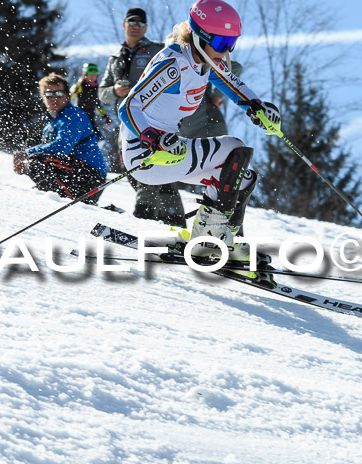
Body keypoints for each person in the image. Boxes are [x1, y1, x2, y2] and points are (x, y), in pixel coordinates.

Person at [120, 0, 281, 269]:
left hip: (171, 149)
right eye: (220, 43)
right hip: (147, 153)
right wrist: (151, 136)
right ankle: (210, 243)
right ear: (198, 36)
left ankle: (222, 240)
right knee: (234, 149)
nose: (226, 50)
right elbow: (128, 105)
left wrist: (257, 107)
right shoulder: (174, 63)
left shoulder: (203, 61)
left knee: (241, 178)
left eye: (232, 43)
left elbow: (233, 84)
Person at [99, 7, 186, 227]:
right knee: (135, 172)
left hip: (157, 122)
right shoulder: (115, 59)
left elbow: (185, 72)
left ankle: (157, 221)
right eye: (132, 22)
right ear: (124, 25)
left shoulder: (157, 50)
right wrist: (116, 92)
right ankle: (166, 222)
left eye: (140, 23)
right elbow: (102, 94)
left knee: (157, 172)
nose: (136, 26)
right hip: (126, 124)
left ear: (146, 27)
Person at [13, 73, 108, 204]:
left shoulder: (74, 115)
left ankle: (62, 202)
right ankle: (52, 199)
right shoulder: (50, 125)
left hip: (89, 175)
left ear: (68, 95)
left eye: (59, 94)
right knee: (35, 163)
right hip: (75, 171)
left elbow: (62, 147)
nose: (54, 98)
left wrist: (27, 154)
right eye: (48, 95)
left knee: (36, 164)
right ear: (42, 98)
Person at [70, 63, 112, 139]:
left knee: (98, 138)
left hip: (91, 117)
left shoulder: (97, 89)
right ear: (85, 74)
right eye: (90, 74)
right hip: (79, 116)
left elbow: (98, 105)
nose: (92, 76)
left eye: (94, 74)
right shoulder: (79, 86)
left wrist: (105, 117)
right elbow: (68, 100)